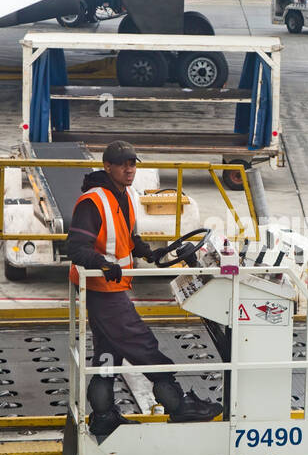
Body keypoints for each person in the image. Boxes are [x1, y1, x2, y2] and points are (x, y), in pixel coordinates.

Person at [66, 141, 223, 436]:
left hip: (112, 286)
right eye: (123, 164)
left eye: (133, 164)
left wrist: (148, 252)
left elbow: (128, 236)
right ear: (108, 166)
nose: (129, 169)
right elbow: (75, 247)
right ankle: (177, 404)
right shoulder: (94, 201)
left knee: (107, 355)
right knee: (144, 346)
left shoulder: (124, 196)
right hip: (104, 290)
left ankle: (103, 416)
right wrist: (102, 263)